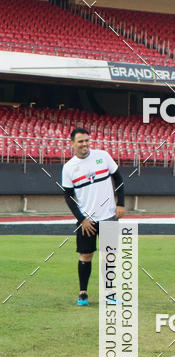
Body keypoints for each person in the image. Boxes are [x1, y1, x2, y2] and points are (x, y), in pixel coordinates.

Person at [62, 128, 125, 306]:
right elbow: (68, 196)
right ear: (72, 143)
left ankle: (110, 295)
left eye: (87, 140)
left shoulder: (103, 156)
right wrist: (82, 219)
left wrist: (121, 203)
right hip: (86, 221)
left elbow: (119, 179)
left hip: (109, 216)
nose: (85, 144)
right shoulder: (69, 168)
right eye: (81, 141)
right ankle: (83, 293)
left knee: (109, 256)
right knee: (85, 255)